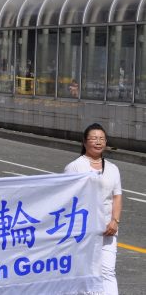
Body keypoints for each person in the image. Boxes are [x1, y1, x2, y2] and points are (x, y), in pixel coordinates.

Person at [64, 124, 121, 295]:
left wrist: (115, 221)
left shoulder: (112, 168)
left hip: (107, 229)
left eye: (102, 139)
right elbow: (65, 198)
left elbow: (117, 196)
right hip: (83, 231)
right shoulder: (74, 167)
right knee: (85, 272)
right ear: (84, 142)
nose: (98, 142)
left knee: (108, 271)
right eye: (94, 138)